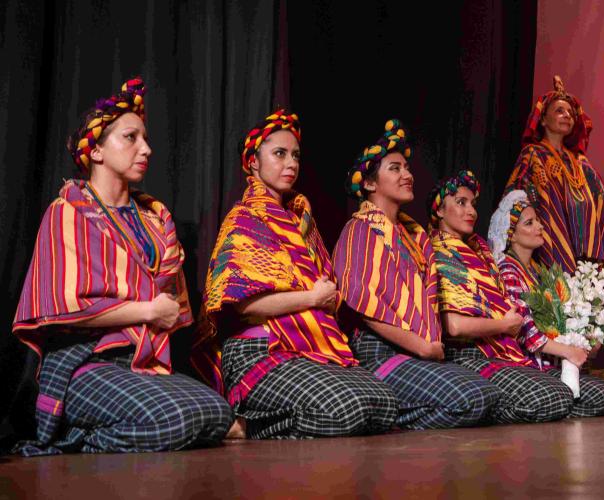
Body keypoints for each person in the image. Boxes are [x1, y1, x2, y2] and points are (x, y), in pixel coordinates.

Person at [12, 78, 232, 456]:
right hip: (87, 363)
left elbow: (172, 307)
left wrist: (159, 311)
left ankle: (117, 425)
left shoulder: (155, 220)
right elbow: (59, 306)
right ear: (95, 151)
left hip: (144, 361)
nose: (146, 149)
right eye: (131, 138)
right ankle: (75, 437)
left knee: (219, 412)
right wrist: (148, 309)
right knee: (176, 421)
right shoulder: (66, 214)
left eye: (145, 139)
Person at [202, 110, 398, 439]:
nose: (291, 163)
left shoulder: (301, 221)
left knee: (384, 405)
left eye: (295, 155)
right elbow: (245, 306)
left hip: (312, 345)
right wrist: (312, 298)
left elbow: (327, 291)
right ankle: (249, 424)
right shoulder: (244, 220)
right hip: (262, 350)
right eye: (279, 154)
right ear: (253, 162)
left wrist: (327, 298)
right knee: (344, 412)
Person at [333, 120, 500, 430]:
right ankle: (385, 419)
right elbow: (361, 302)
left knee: (488, 393)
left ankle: (390, 417)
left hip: (418, 351)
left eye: (407, 167)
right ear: (369, 184)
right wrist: (421, 346)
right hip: (380, 351)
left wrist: (427, 346)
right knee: (472, 398)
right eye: (395, 169)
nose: (407, 174)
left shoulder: (414, 236)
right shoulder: (360, 229)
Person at [429, 170, 576, 423]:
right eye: (461, 203)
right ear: (440, 211)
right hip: (470, 353)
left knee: (596, 395)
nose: (471, 211)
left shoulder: (479, 251)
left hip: (505, 350)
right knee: (557, 397)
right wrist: (504, 325)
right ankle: (487, 409)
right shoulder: (441, 251)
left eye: (473, 204)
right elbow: (454, 326)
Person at [488, 189, 604, 417]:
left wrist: (585, 339)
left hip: (553, 363)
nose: (539, 227)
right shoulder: (508, 271)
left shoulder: (540, 271)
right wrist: (568, 351)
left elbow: (565, 321)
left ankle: (558, 403)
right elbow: (524, 331)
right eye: (529, 223)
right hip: (526, 364)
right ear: (512, 234)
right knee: (562, 397)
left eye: (538, 220)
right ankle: (543, 404)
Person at [505, 76, 604, 291]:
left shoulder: (580, 162)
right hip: (550, 247)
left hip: (586, 254)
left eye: (570, 112)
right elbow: (517, 199)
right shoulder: (533, 155)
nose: (567, 116)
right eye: (560, 111)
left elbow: (603, 202)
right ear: (543, 119)